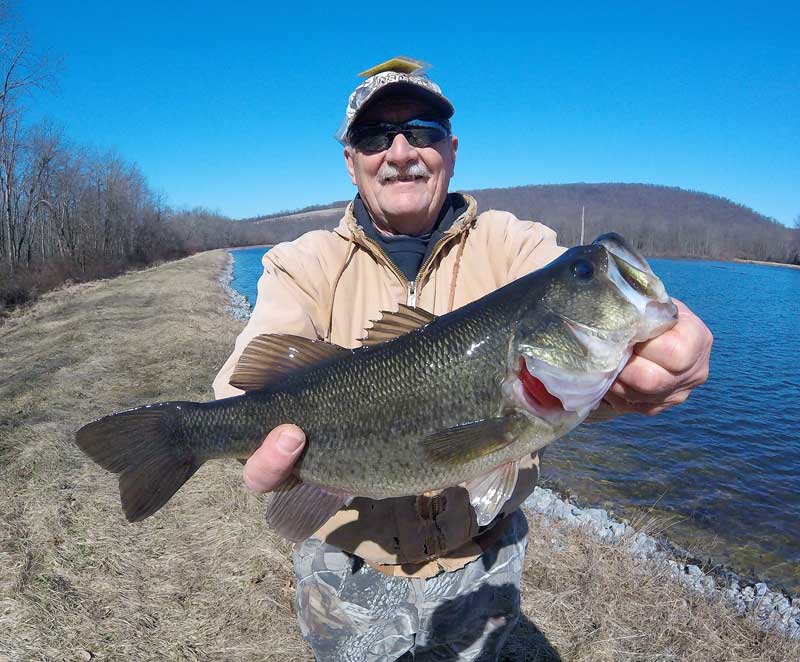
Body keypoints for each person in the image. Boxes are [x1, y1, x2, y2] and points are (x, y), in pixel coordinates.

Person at [213, 57, 713, 661]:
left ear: (451, 150)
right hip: (344, 566)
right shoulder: (300, 263)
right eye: (375, 137)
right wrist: (228, 427)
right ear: (351, 162)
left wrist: (669, 353)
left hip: (483, 561)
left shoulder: (516, 246)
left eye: (421, 131)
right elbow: (245, 376)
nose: (400, 152)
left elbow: (588, 359)